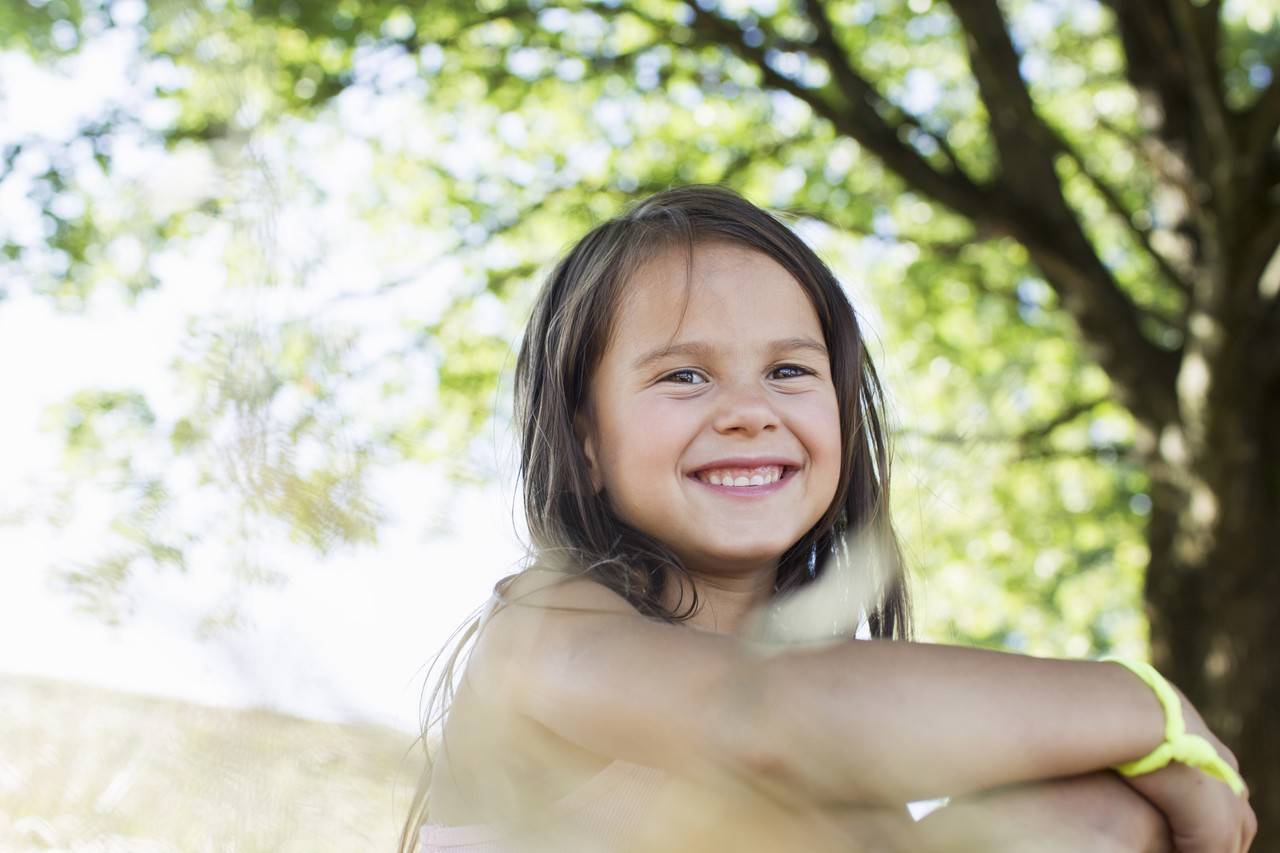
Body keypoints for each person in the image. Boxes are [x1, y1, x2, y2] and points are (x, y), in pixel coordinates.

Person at [399, 185, 1255, 852]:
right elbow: (768, 717)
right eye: (684, 376)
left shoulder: (852, 759)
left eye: (789, 372)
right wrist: (1146, 706)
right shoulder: (539, 632)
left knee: (1100, 811)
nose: (748, 411)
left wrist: (1133, 796)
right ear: (585, 440)